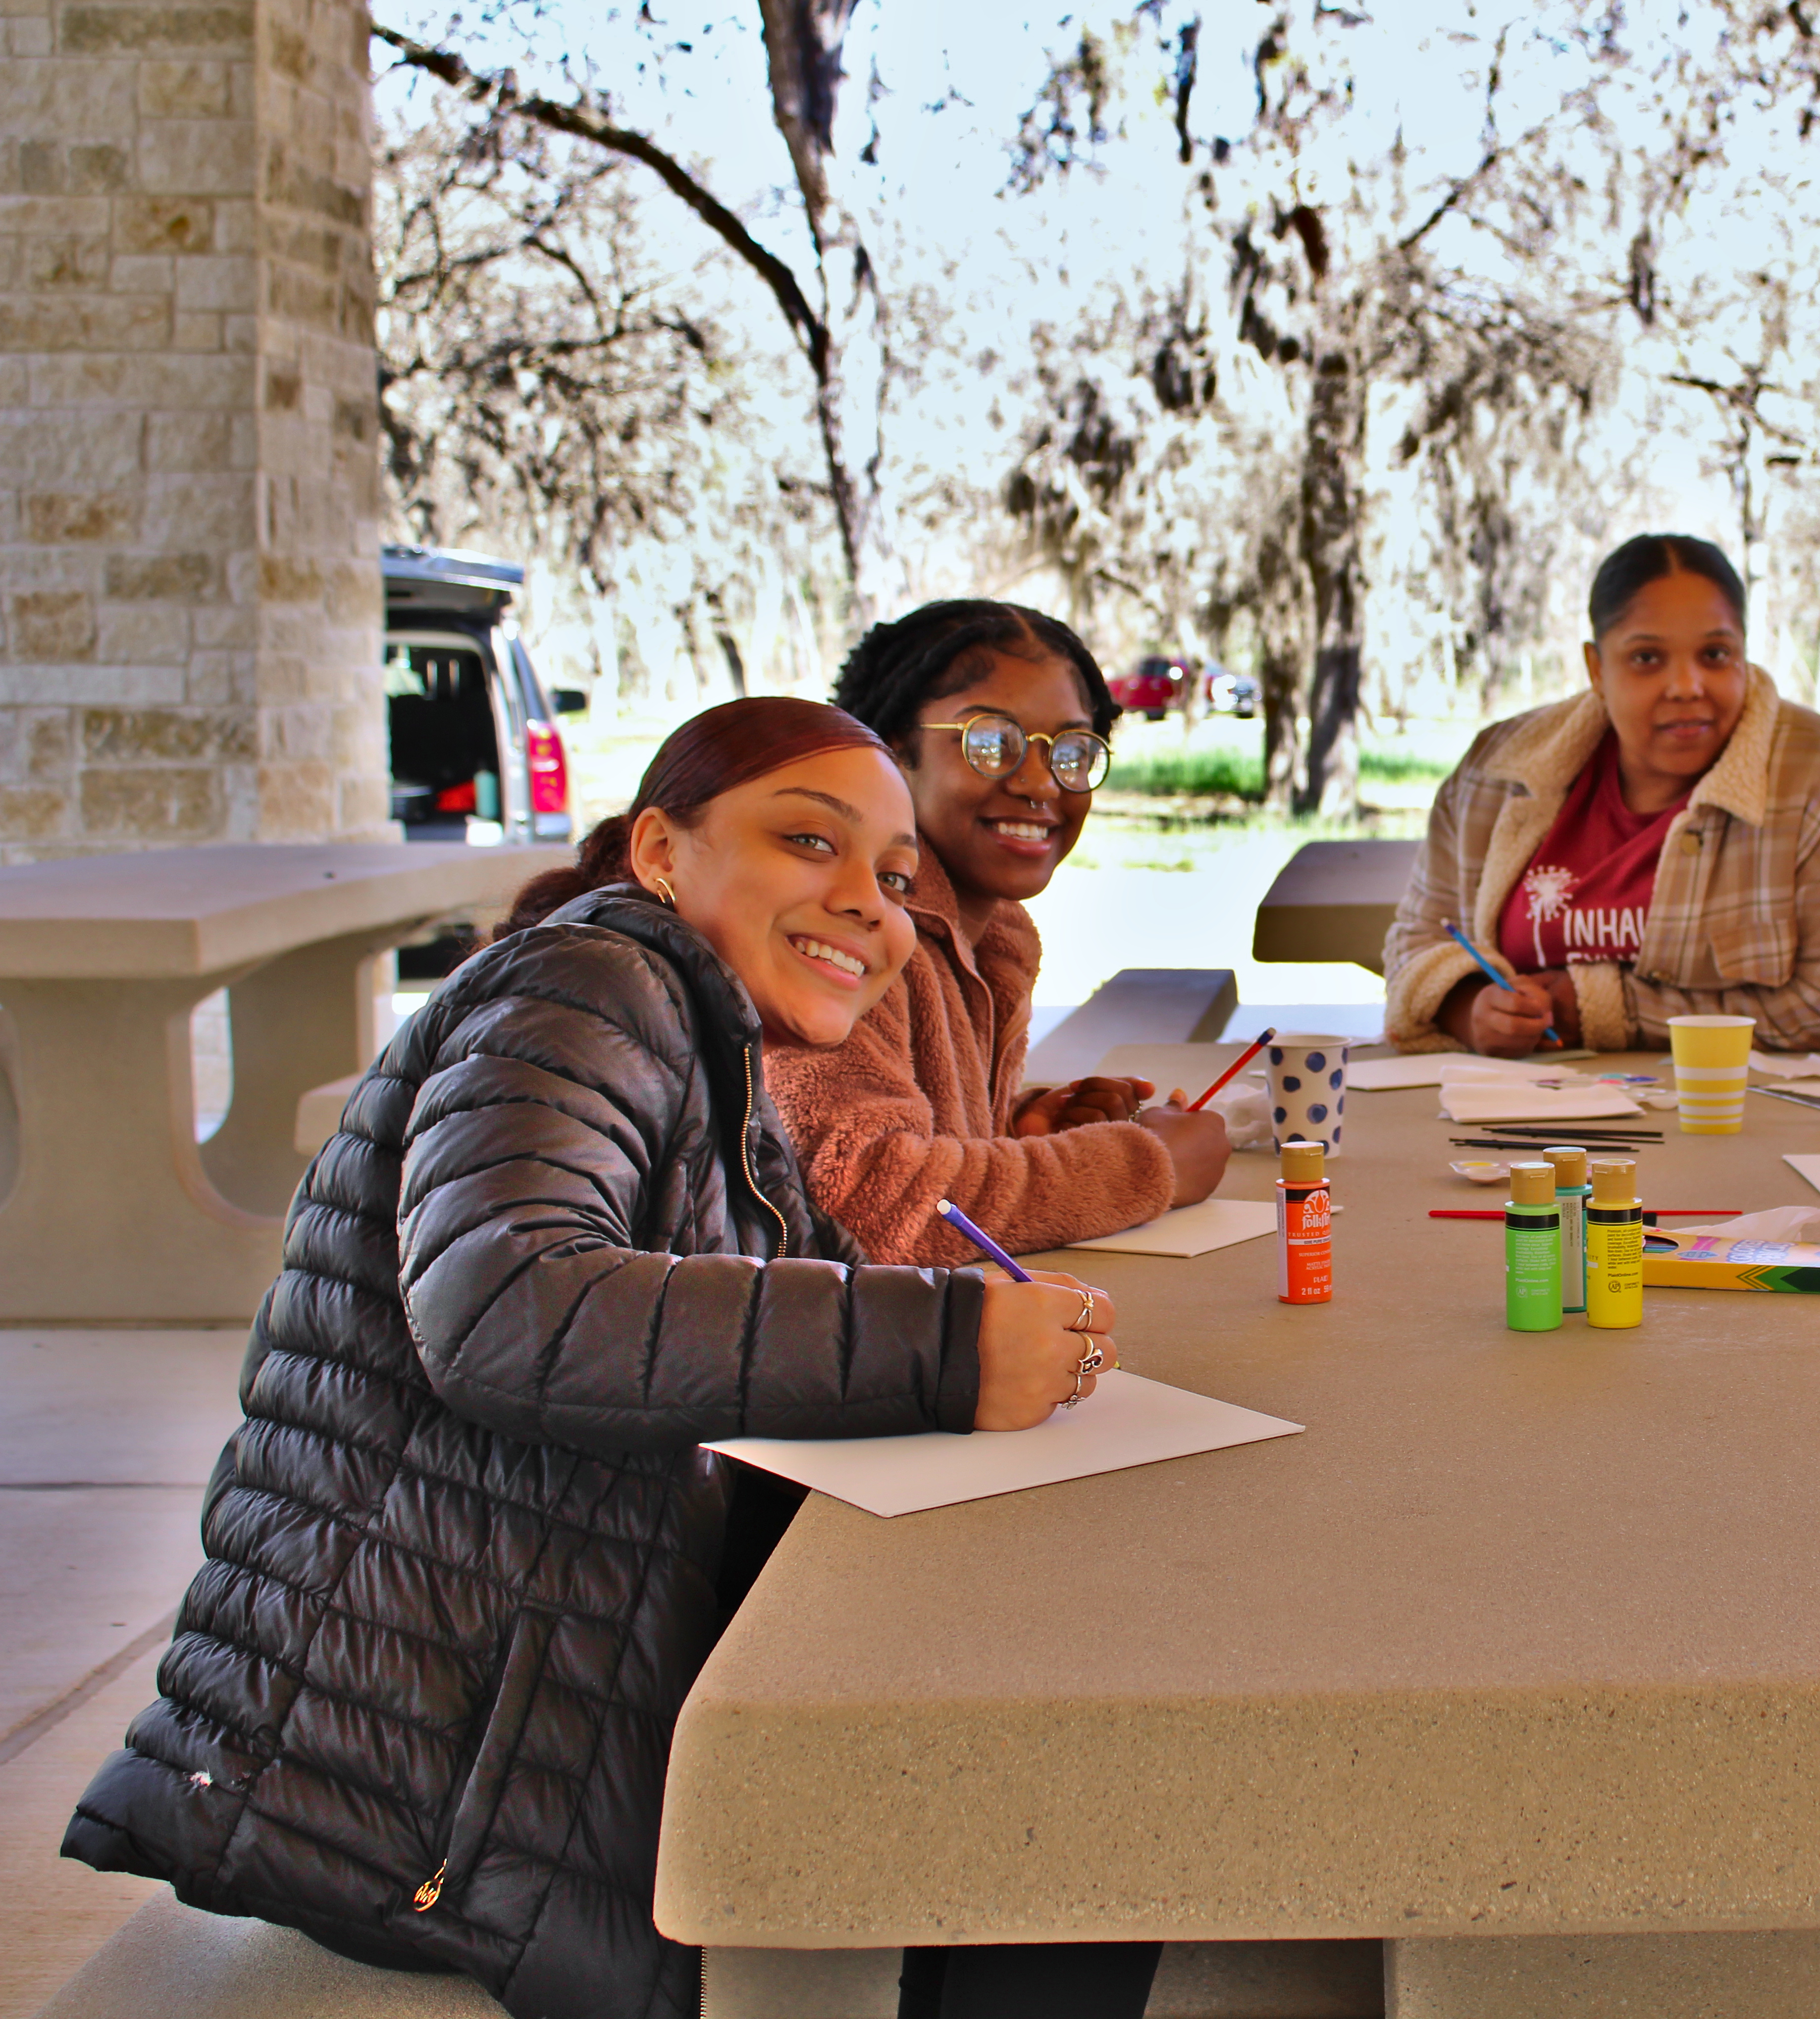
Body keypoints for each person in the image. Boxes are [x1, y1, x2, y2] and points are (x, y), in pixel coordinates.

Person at [62, 700, 1161, 2019]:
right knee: (1069, 1791)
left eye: (892, 878)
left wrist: (958, 1339)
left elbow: (796, 1307)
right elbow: (508, 1302)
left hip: (489, 1719)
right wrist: (947, 1347)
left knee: (1052, 1723)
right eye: (808, 841)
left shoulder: (709, 1056)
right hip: (416, 1795)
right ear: (660, 851)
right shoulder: (587, 983)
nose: (867, 905)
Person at [771, 601, 1231, 1266]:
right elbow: (873, 1204)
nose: (1040, 782)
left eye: (1072, 751)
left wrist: (1019, 1131)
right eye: (991, 742)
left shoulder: (993, 935)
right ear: (891, 748)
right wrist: (1143, 1166)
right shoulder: (849, 927)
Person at [1383, 534, 1820, 1056]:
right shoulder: (1495, 772)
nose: (1686, 685)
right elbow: (1419, 942)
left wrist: (1611, 1010)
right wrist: (1471, 1010)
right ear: (1597, 668)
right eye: (1646, 658)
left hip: (1746, 1121)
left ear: (1746, 656)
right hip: (1510, 1120)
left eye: (1715, 654)